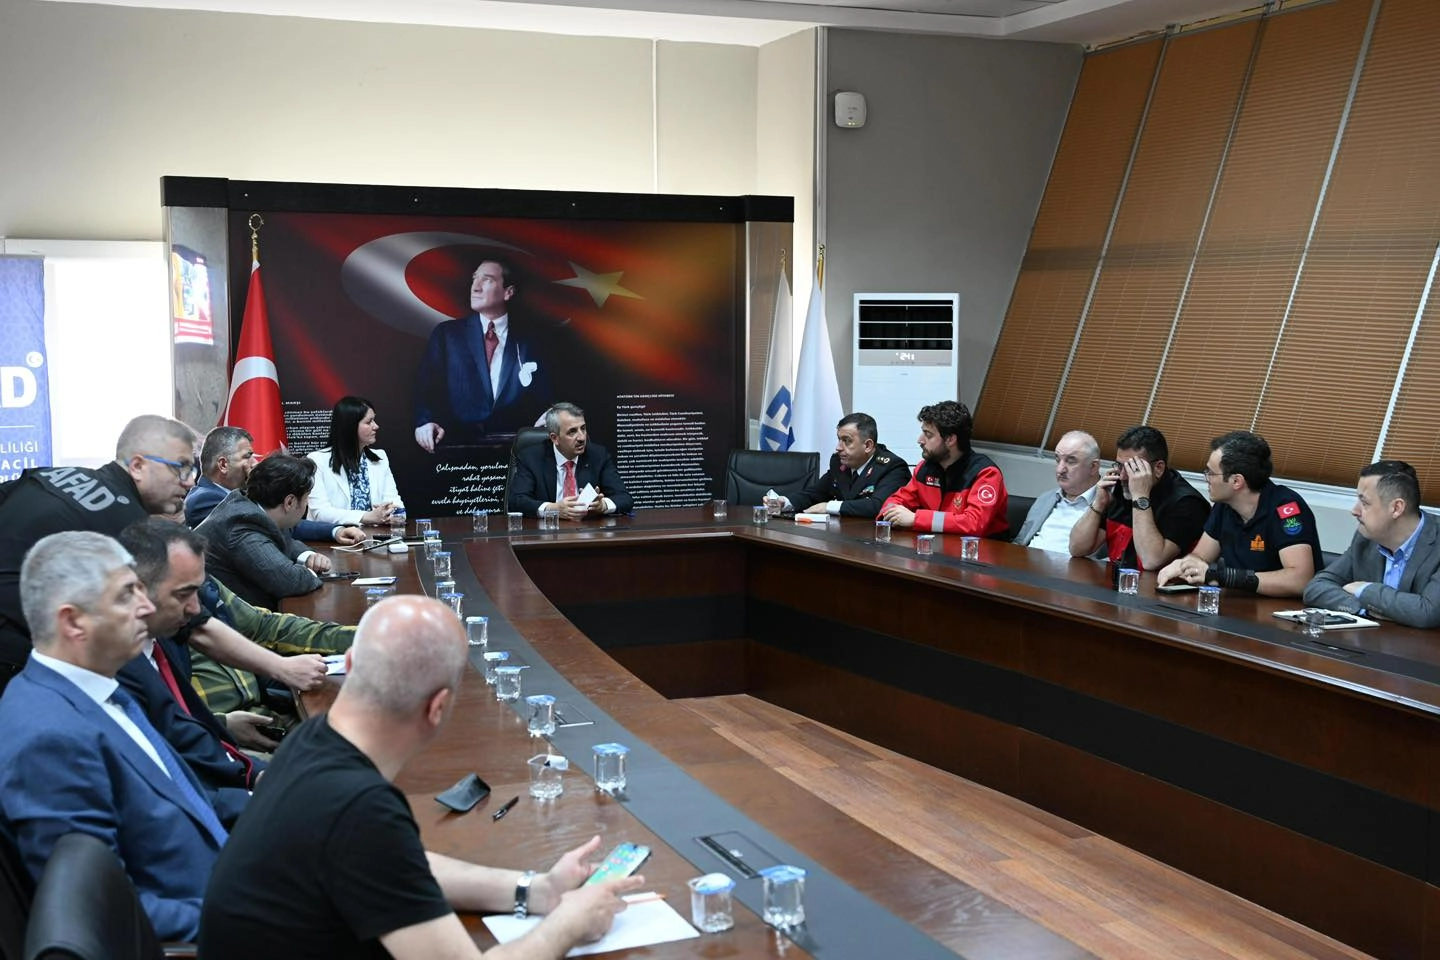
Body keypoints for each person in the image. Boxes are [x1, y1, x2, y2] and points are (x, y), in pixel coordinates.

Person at [198, 595, 643, 959]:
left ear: (350, 663)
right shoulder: (359, 807)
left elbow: (402, 865)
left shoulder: (313, 740)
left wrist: (537, 890)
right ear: (437, 707)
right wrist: (568, 923)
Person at [0, 532, 224, 941]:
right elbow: (102, 911)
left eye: (140, 589)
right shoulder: (50, 740)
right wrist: (245, 915)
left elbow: (180, 804)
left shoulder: (99, 687)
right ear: (73, 622)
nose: (146, 606)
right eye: (125, 596)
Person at [0, 414, 196, 691]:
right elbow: (195, 623)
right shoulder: (129, 522)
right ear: (138, 466)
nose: (188, 482)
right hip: (17, 654)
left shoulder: (49, 474)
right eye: (181, 468)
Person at [1157, 431, 1323, 597]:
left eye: (1211, 473)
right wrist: (1184, 565)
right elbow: (1200, 556)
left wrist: (1226, 577)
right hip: (1237, 604)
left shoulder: (1286, 508)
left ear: (1236, 481)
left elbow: (1300, 580)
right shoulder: (1224, 506)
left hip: (1281, 608)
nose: (1206, 478)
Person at [414, 259, 551, 451]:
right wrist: (424, 422)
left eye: (487, 280)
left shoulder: (533, 338)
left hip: (518, 447)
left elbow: (551, 393)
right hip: (457, 446)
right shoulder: (447, 334)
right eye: (474, 279)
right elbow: (425, 388)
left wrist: (553, 415)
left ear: (508, 292)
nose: (475, 287)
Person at [1304, 461, 1440, 627]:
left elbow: (1428, 612)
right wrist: (1364, 608)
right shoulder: (1366, 538)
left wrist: (1364, 590)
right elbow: (1316, 588)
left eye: (1365, 503)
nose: (1354, 511)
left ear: (1396, 508)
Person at [185, 425, 365, 545]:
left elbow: (285, 524)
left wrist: (335, 531)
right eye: (248, 456)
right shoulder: (204, 500)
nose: (255, 463)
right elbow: (262, 535)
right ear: (223, 464)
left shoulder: (238, 494)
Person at [1068, 425, 1208, 571]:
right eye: (1120, 466)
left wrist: (1140, 496)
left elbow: (1151, 561)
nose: (1123, 476)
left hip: (1162, 583)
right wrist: (1099, 503)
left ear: (1158, 468)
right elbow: (1077, 549)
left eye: (1132, 468)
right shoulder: (1121, 485)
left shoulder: (1188, 503)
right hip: (1119, 578)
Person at [197, 453, 327, 608]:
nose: (307, 504)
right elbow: (289, 581)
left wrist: (307, 556)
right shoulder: (242, 525)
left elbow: (281, 540)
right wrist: (311, 572)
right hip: (227, 618)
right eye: (306, 498)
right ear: (290, 502)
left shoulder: (254, 508)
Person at [879, 400, 1009, 537]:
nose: (920, 440)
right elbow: (897, 500)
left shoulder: (985, 473)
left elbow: (974, 523)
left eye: (928, 435)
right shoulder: (925, 469)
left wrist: (916, 519)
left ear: (950, 440)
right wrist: (890, 514)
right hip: (938, 543)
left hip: (982, 547)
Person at [508, 402, 633, 519]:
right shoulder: (532, 458)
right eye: (572, 432)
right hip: (548, 530)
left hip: (588, 530)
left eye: (583, 428)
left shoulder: (598, 455)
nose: (582, 437)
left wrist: (603, 506)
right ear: (555, 438)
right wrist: (553, 509)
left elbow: (625, 498)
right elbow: (516, 501)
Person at [782, 412, 910, 517]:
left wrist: (829, 506)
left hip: (874, 537)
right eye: (839, 439)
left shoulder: (892, 467)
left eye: (847, 441)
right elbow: (815, 494)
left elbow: (879, 506)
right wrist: (785, 503)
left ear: (867, 445)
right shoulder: (839, 462)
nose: (838, 447)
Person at [305, 396, 405, 526]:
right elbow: (320, 513)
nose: (376, 426)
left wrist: (391, 514)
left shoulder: (380, 457)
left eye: (374, 420)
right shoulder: (317, 460)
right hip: (332, 537)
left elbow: (397, 506)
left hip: (375, 536)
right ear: (350, 426)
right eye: (369, 422)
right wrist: (367, 517)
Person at [1013, 430, 1104, 554]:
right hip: (1025, 562)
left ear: (1093, 467)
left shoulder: (1108, 505)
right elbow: (1020, 543)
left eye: (1071, 461)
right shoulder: (1047, 498)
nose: (1060, 470)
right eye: (1057, 459)